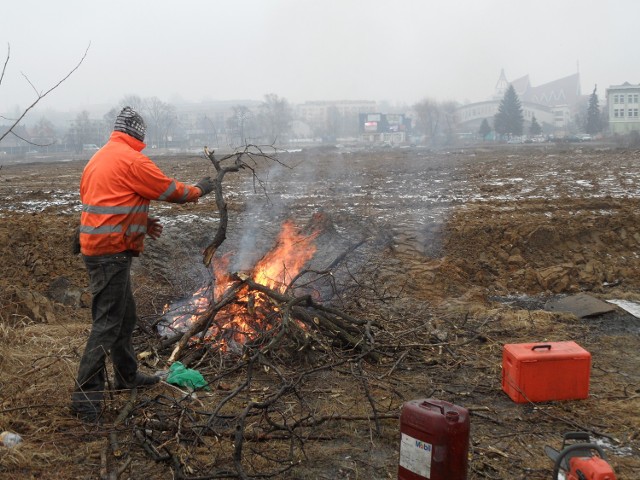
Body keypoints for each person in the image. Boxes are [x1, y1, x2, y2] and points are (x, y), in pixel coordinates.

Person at [71, 106, 215, 423]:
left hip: (97, 248)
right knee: (108, 322)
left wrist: (141, 220)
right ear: (137, 133)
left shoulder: (100, 157)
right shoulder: (133, 160)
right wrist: (200, 190)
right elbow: (169, 190)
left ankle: (126, 376)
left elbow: (103, 199)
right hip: (111, 252)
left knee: (125, 316)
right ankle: (84, 397)